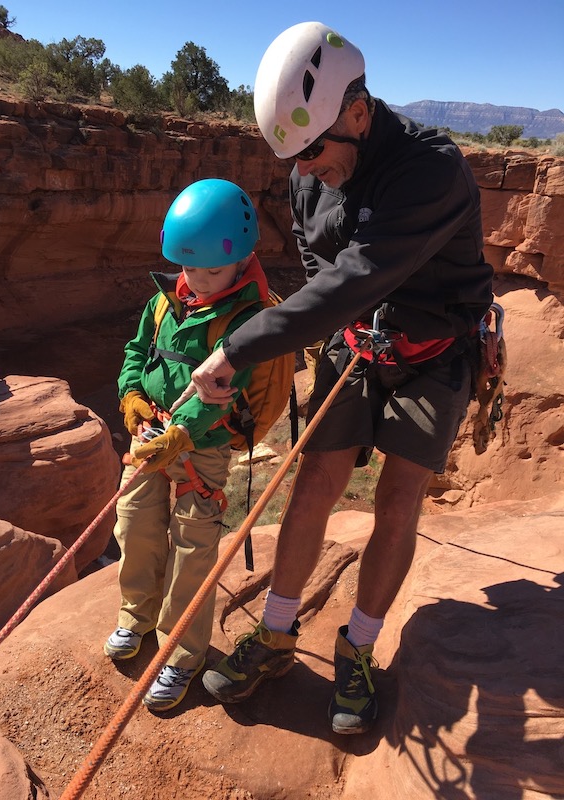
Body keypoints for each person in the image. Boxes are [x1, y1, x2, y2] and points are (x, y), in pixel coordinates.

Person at [177, 22, 495, 734]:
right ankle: (279, 634)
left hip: (436, 348)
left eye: (314, 152)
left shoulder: (430, 170)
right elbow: (324, 269)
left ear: (358, 110)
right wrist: (338, 330)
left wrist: (238, 349)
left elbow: (355, 276)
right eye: (293, 157)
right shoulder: (308, 170)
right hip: (359, 341)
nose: (305, 169)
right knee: (315, 478)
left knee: (396, 496)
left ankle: (357, 645)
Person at [104, 178, 270, 712]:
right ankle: (137, 617)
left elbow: (226, 389)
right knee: (132, 522)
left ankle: (180, 652)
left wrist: (181, 434)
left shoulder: (247, 319)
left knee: (193, 548)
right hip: (151, 435)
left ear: (242, 260)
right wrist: (131, 397)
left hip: (202, 449)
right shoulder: (163, 300)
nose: (196, 280)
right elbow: (137, 350)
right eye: (188, 268)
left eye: (210, 271)